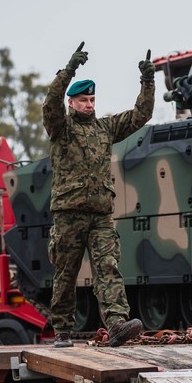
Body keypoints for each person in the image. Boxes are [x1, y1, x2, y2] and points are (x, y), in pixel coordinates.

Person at [43, 42, 155, 348]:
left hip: (101, 215)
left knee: (108, 268)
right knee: (66, 275)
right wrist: (68, 70)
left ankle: (117, 323)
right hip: (69, 214)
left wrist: (148, 80)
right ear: (72, 103)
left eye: (92, 99)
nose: (89, 104)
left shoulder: (104, 128)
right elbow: (49, 103)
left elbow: (141, 115)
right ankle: (63, 330)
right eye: (83, 99)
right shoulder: (61, 129)